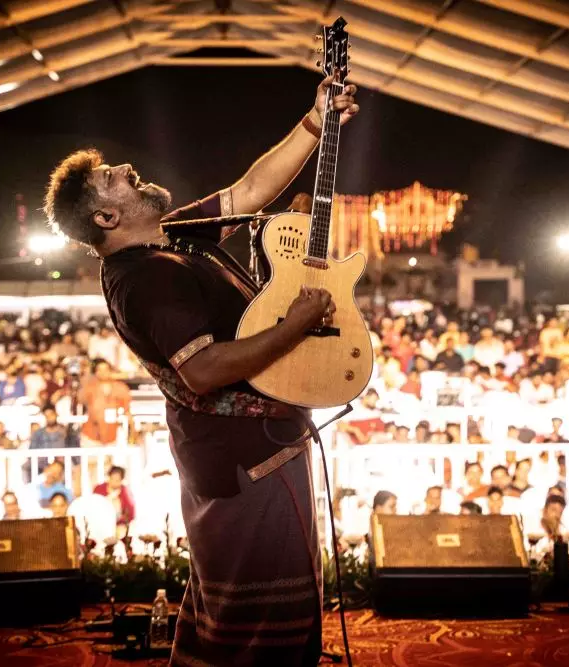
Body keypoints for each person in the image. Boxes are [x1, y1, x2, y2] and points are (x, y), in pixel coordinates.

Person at [46, 74, 360, 665]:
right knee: (254, 622)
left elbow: (247, 192)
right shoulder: (146, 277)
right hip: (245, 461)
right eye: (115, 179)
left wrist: (317, 121)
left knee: (242, 612)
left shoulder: (169, 241)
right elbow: (205, 369)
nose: (128, 171)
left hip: (252, 452)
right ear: (109, 218)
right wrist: (297, 323)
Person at [78, 359, 132, 446]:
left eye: (106, 369)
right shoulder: (90, 387)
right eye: (99, 370)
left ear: (111, 371)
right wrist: (87, 376)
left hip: (113, 437)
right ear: (95, 372)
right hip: (91, 436)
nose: (103, 372)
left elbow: (127, 411)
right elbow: (81, 399)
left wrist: (133, 433)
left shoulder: (121, 388)